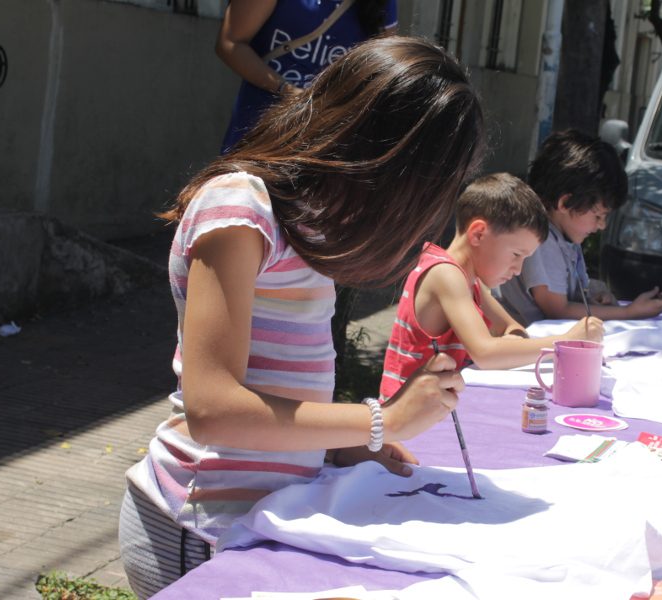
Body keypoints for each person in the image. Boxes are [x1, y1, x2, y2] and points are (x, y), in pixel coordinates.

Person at [119, 37, 485, 599]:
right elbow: (214, 409)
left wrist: (339, 445)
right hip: (199, 526)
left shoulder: (309, 228)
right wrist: (381, 420)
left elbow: (280, 385)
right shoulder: (241, 208)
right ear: (382, 160)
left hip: (260, 519)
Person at [379, 173, 604, 401]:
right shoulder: (445, 275)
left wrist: (509, 341)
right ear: (478, 234)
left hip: (433, 408)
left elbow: (513, 328)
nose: (518, 270)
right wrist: (565, 342)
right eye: (516, 255)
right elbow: (485, 353)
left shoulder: (471, 281)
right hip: (405, 416)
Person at [498, 129, 662, 326]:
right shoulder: (542, 240)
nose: (602, 225)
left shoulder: (565, 233)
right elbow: (557, 310)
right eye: (597, 215)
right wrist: (629, 312)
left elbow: (569, 294)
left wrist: (594, 297)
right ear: (565, 203)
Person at [216, 0, 397, 153]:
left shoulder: (383, 3)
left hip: (329, 143)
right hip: (262, 132)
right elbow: (230, 43)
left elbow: (379, 72)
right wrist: (287, 90)